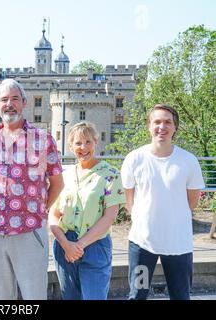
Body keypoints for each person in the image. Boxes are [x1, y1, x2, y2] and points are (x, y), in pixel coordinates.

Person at [0, 79, 64, 300]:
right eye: (4, 99)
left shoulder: (43, 140)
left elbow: (57, 183)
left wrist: (39, 211)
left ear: (24, 102)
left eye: (15, 99)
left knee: (34, 295)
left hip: (30, 232)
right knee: (2, 296)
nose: (9, 104)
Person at [121, 104, 205, 300]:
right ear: (149, 126)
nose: (162, 126)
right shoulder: (134, 159)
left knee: (180, 296)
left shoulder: (188, 161)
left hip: (178, 246)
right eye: (157, 121)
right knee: (137, 295)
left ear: (175, 127)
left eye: (168, 122)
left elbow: (191, 203)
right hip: (142, 245)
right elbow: (128, 200)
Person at [49, 122, 126, 300]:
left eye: (88, 142)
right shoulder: (64, 177)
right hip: (64, 245)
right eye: (78, 143)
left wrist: (79, 246)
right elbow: (53, 215)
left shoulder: (110, 174)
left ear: (96, 143)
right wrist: (67, 245)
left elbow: (109, 217)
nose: (83, 147)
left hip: (95, 246)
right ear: (70, 146)